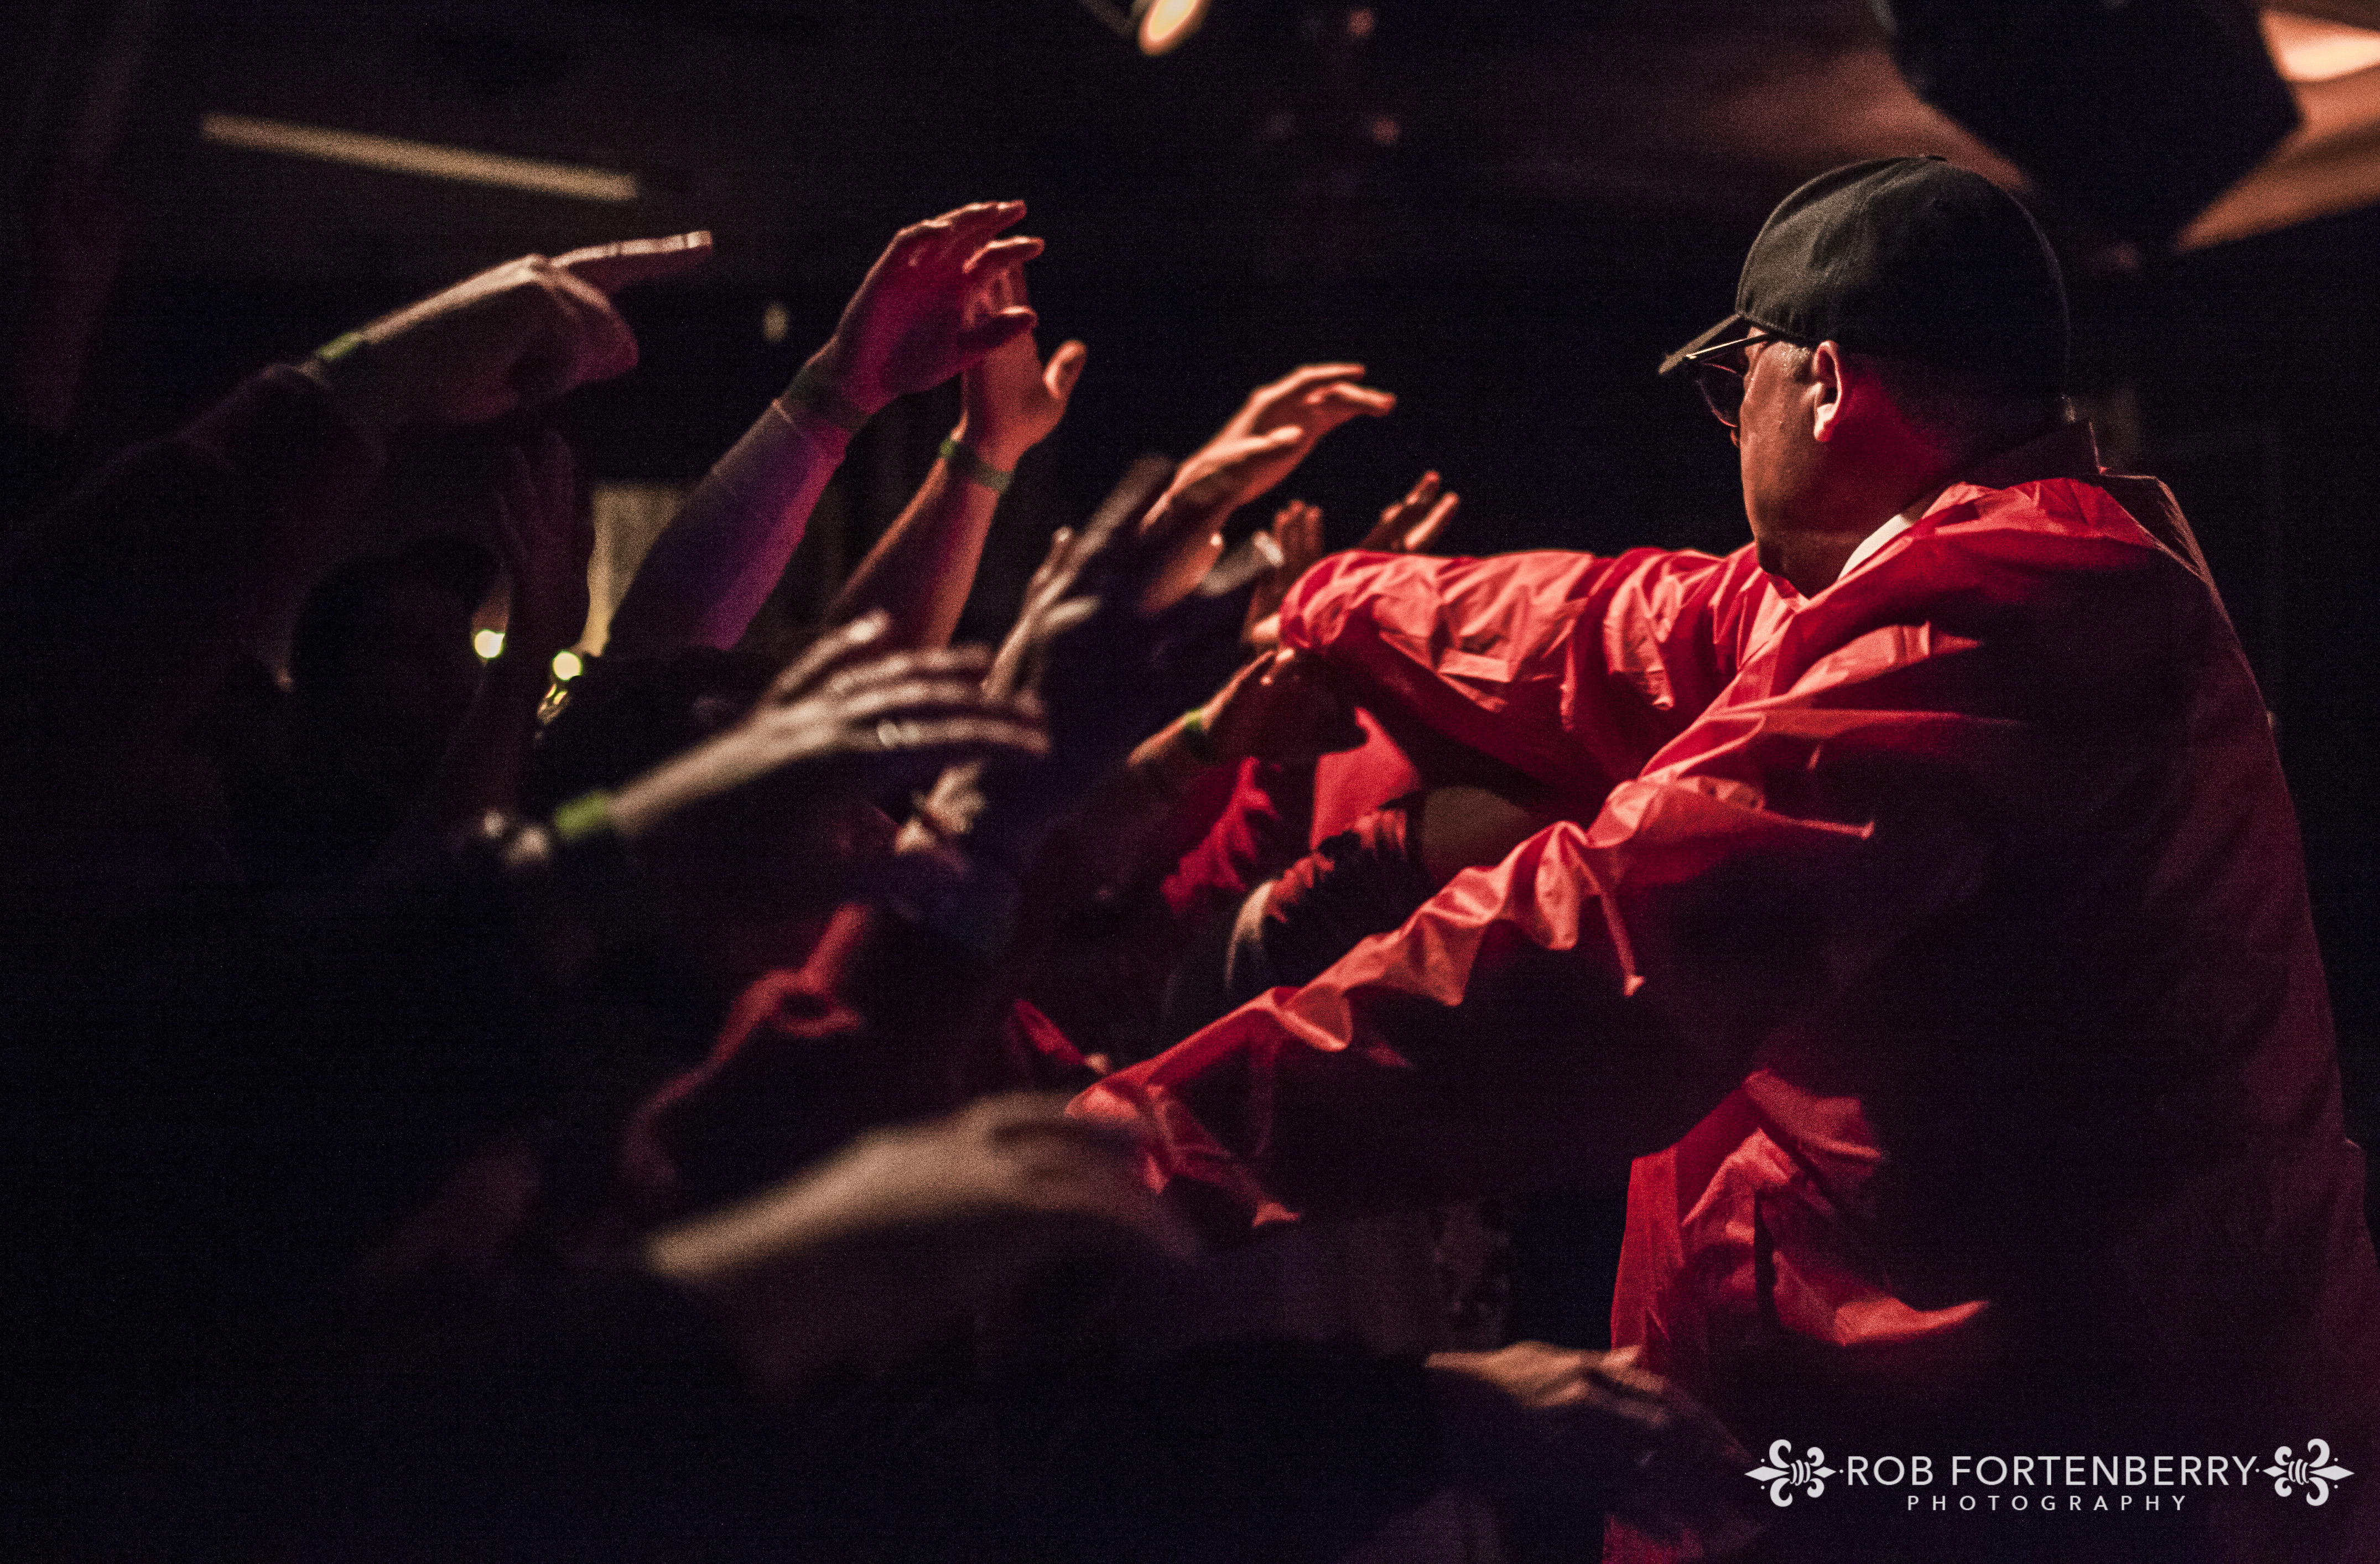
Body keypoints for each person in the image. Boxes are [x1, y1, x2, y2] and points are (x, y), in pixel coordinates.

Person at [1074, 157, 2380, 1561]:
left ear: (1823, 383)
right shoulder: (1960, 573)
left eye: (1728, 383)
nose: (1722, 424)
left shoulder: (1999, 614)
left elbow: (1600, 951)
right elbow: (1609, 627)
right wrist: (1327, 603)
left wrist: (1121, 1160)